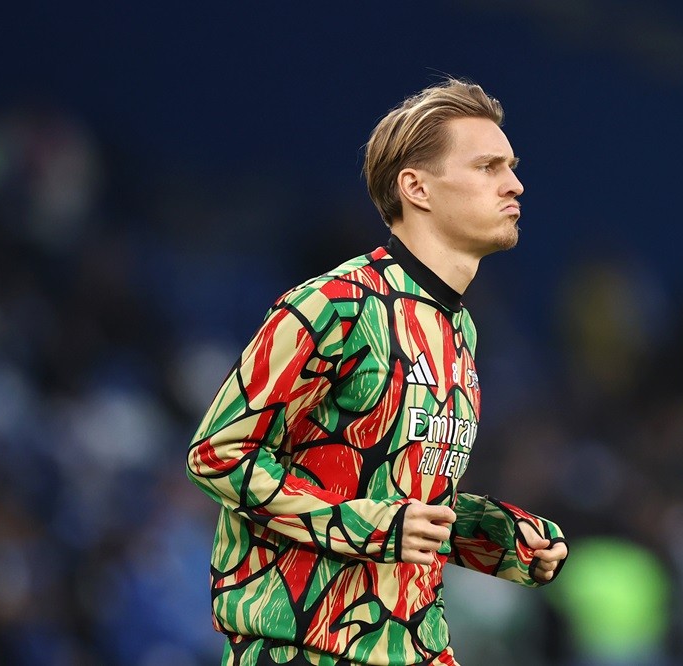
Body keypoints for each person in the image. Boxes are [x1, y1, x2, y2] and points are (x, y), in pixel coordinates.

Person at [186, 78, 569, 666]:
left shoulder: (458, 329)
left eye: (511, 167)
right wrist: (377, 527)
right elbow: (218, 454)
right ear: (416, 188)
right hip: (304, 648)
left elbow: (399, 502)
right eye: (488, 166)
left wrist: (503, 540)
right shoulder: (334, 305)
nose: (515, 183)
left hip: (411, 646)